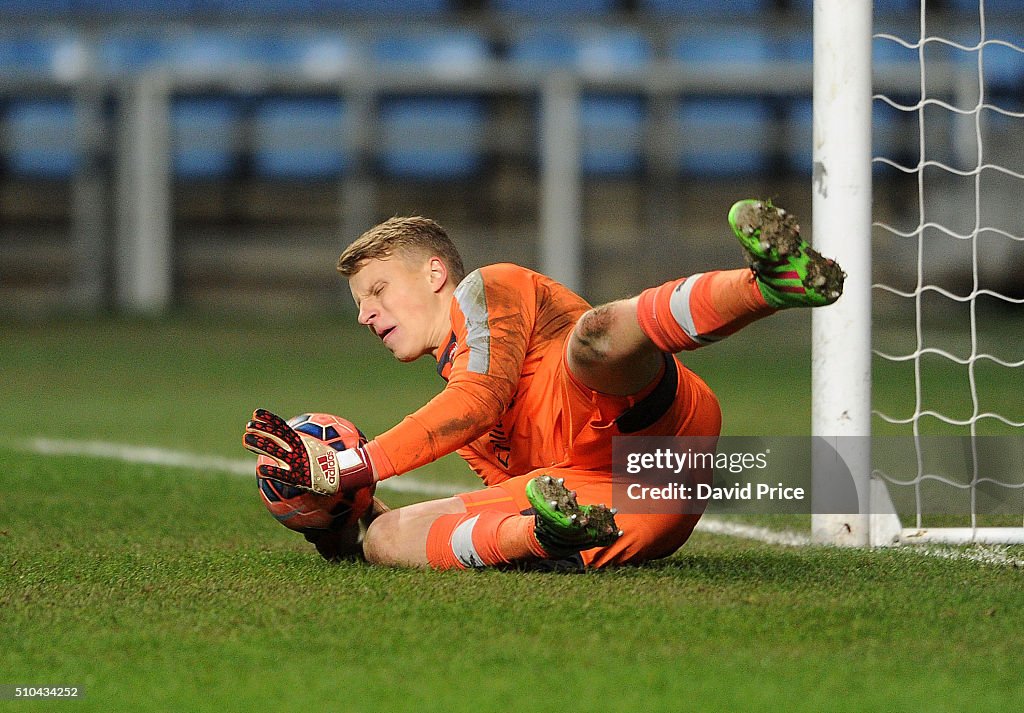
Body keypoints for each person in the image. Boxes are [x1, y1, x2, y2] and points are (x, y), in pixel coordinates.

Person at [243, 199, 844, 570]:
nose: (364, 314)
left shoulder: (490, 288)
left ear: (434, 273)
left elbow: (476, 401)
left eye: (376, 291)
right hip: (633, 510)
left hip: (655, 430)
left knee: (593, 339)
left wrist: (349, 468)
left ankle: (768, 285)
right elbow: (504, 492)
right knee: (388, 539)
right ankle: (543, 537)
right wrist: (342, 514)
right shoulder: (464, 419)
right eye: (358, 304)